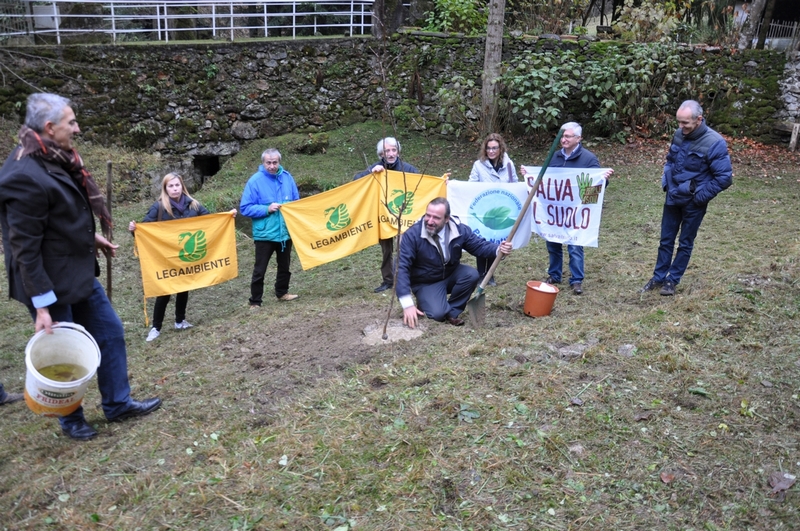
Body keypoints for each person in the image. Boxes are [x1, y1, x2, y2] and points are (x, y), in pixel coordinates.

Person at [0, 93, 161, 440]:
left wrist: (91, 240)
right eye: (71, 122)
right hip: (45, 280)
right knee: (66, 352)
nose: (77, 128)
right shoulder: (23, 173)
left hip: (76, 269)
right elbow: (23, 247)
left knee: (109, 332)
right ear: (49, 127)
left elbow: (58, 219)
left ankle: (118, 403)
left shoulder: (57, 157)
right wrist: (41, 305)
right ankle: (71, 419)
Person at [129, 173, 236, 341]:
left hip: (186, 256)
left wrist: (226, 217)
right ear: (165, 189)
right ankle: (156, 327)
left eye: (177, 185)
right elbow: (144, 230)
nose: (174, 189)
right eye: (170, 186)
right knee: (164, 291)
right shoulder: (158, 207)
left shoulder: (193, 205)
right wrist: (134, 229)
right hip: (166, 256)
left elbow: (209, 220)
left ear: (182, 186)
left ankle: (180, 320)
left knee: (183, 285)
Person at [641, 100, 732, 296]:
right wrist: (666, 181)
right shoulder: (678, 135)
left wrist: (699, 197)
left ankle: (672, 281)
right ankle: (658, 277)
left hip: (693, 203)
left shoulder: (715, 142)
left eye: (685, 123)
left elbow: (724, 178)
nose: (680, 127)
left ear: (699, 120)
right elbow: (670, 160)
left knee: (685, 242)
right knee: (665, 240)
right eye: (679, 122)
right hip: (673, 197)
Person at [521, 122, 613, 295]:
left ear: (579, 139)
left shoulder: (588, 159)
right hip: (554, 210)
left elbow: (596, 186)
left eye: (568, 136)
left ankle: (576, 279)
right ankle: (554, 274)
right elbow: (544, 180)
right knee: (552, 242)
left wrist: (604, 179)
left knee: (575, 245)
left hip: (575, 212)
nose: (563, 139)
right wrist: (529, 176)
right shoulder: (554, 157)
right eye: (562, 136)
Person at [397, 197, 513, 328]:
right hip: (426, 281)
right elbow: (401, 267)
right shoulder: (412, 235)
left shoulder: (459, 230)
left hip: (450, 274)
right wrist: (407, 304)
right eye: (427, 215)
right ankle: (431, 303)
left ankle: (452, 311)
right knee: (437, 314)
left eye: (436, 218)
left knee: (471, 275)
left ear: (446, 219)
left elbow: (479, 246)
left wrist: (499, 249)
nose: (429, 221)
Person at [353, 137, 419, 293]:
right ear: (381, 154)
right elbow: (356, 180)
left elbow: (423, 185)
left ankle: (407, 277)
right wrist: (371, 173)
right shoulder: (376, 167)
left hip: (403, 215)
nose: (390, 154)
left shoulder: (408, 169)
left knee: (406, 247)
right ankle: (388, 280)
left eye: (393, 150)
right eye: (387, 151)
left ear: (398, 151)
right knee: (386, 250)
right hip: (382, 216)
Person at [240, 148, 300, 307]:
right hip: (264, 234)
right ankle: (255, 301)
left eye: (275, 162)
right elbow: (245, 208)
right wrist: (266, 209)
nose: (272, 166)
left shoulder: (287, 178)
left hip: (285, 233)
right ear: (263, 162)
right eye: (268, 163)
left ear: (279, 162)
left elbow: (296, 202)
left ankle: (282, 292)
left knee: (285, 267)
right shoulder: (254, 181)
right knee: (260, 270)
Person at [468, 133, 519, 286]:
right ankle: (480, 273)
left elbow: (515, 184)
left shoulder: (509, 165)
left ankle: (490, 274)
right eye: (489, 148)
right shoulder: (479, 165)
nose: (491, 151)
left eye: (494, 148)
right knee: (481, 240)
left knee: (496, 240)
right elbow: (471, 184)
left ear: (500, 148)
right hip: (484, 208)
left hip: (502, 209)